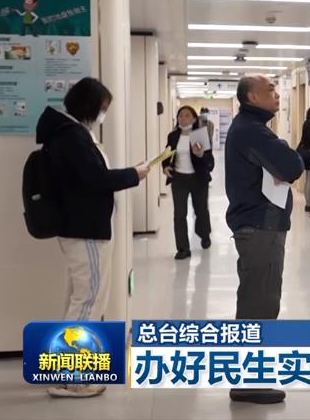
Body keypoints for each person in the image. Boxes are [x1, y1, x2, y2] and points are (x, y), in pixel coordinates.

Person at [35, 77, 149, 398]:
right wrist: (134, 174)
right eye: (103, 108)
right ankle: (72, 378)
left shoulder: (68, 133)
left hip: (80, 228)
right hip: (85, 230)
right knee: (87, 301)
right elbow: (94, 180)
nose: (104, 114)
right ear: (90, 105)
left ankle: (63, 371)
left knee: (80, 299)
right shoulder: (72, 136)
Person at [225, 74, 304, 405]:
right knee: (260, 301)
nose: (277, 94)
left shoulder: (251, 127)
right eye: (270, 90)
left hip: (258, 225)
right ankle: (248, 382)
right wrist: (285, 152)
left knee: (256, 298)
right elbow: (293, 166)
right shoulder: (251, 130)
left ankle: (248, 376)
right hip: (260, 227)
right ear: (252, 97)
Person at [162, 106, 215, 260]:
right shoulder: (173, 136)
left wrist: (201, 155)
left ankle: (204, 234)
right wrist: (165, 166)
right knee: (179, 214)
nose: (183, 118)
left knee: (201, 211)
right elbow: (167, 155)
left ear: (194, 118)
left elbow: (210, 161)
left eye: (186, 115)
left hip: (198, 179)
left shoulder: (200, 135)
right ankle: (183, 249)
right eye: (180, 115)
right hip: (179, 179)